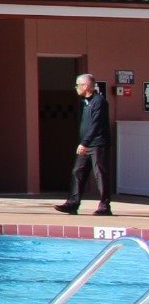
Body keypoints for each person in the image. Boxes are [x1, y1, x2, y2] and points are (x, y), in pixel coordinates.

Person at [57, 73, 114, 217]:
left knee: (100, 173)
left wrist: (85, 142)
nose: (76, 87)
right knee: (78, 171)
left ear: (86, 85)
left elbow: (96, 125)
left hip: (97, 144)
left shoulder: (99, 101)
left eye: (78, 85)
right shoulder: (84, 102)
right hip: (86, 144)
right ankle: (73, 203)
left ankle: (104, 205)